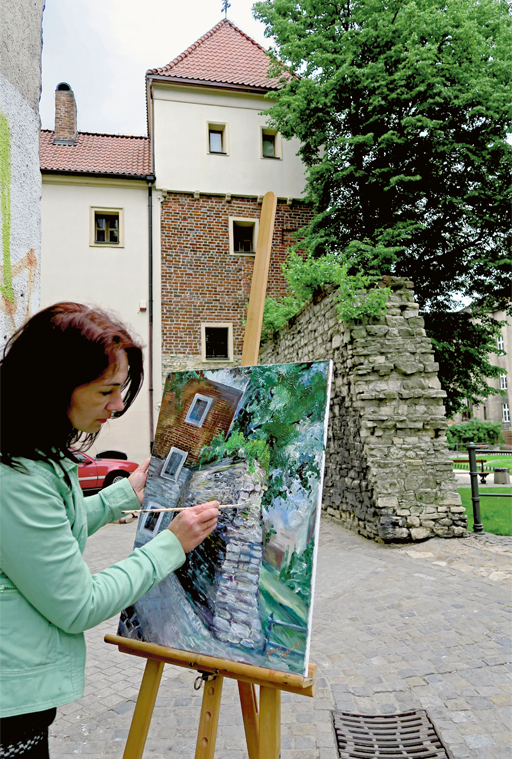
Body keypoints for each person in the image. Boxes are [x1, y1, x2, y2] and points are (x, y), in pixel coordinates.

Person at [0, 303, 219, 757]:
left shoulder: (29, 453)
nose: (118, 406)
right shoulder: (14, 478)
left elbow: (48, 533)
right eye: (106, 391)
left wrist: (125, 494)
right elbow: (79, 605)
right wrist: (169, 546)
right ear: (54, 387)